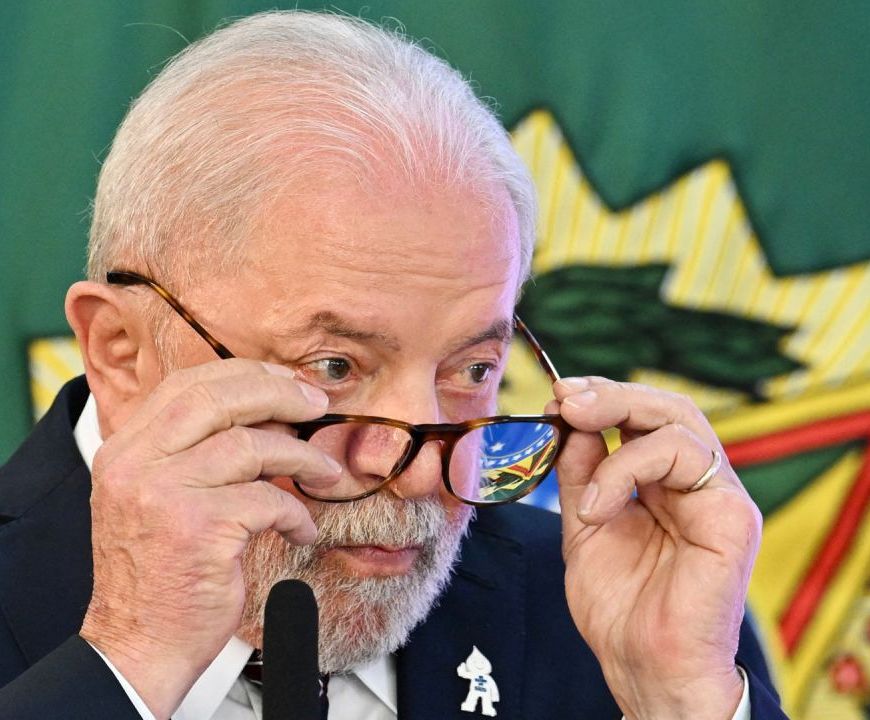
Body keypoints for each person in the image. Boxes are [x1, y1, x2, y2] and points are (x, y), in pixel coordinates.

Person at [0, 10, 787, 720]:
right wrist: (127, 664)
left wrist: (677, 699)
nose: (415, 472)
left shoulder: (601, 617)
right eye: (335, 366)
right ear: (123, 353)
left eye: (472, 371)